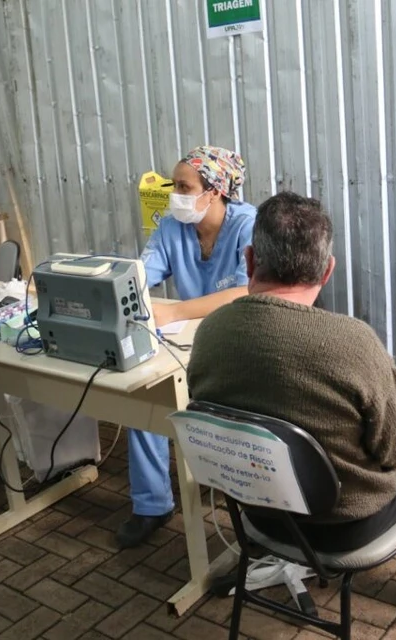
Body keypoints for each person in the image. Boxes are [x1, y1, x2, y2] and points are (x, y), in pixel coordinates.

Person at [186, 192, 396, 620]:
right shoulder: (351, 342)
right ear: (328, 269)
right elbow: (395, 448)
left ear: (249, 260)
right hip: (345, 527)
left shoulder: (211, 333)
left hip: (260, 517)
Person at [119, 145, 256, 548]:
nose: (173, 194)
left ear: (214, 191)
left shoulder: (248, 225)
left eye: (183, 186)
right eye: (173, 184)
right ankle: (152, 505)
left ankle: (251, 511)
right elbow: (142, 276)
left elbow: (244, 292)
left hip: (235, 345)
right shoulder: (173, 227)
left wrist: (173, 311)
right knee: (144, 395)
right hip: (185, 345)